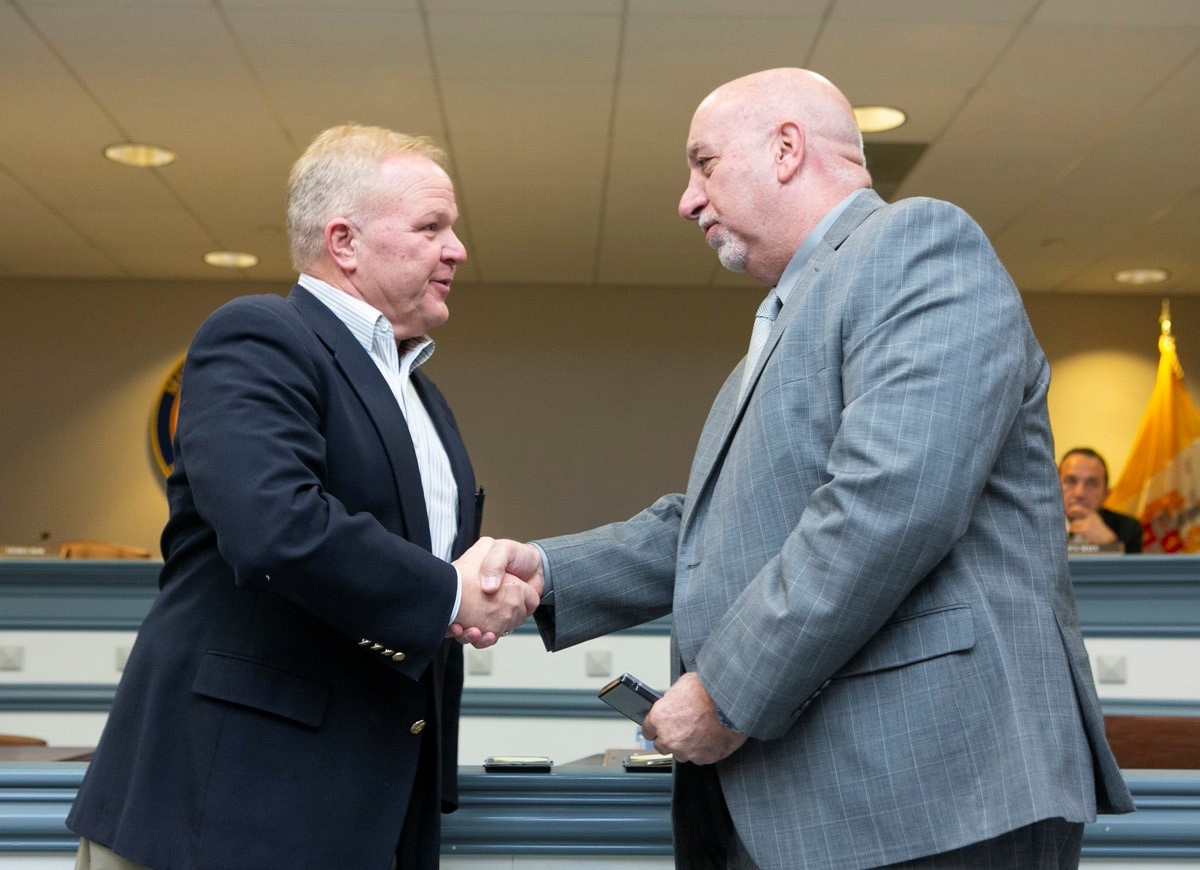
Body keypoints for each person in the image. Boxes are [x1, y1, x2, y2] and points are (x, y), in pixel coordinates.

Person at [465, 69, 1134, 868]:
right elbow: (711, 527)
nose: (687, 199)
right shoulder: (794, 313)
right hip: (824, 807)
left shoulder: (918, 245)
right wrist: (544, 573)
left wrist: (725, 694)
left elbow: (890, 503)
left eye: (703, 164)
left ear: (786, 149)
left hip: (931, 798)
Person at [67, 125, 535, 870]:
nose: (457, 250)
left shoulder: (425, 398)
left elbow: (410, 581)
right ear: (344, 241)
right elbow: (273, 527)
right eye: (431, 227)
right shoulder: (259, 336)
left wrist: (484, 587)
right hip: (222, 806)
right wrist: (450, 594)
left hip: (369, 809)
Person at [1060, 447, 1144, 552]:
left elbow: (1134, 568)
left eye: (1091, 483)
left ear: (1106, 494)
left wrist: (1110, 545)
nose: (1079, 493)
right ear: (1053, 487)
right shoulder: (1035, 527)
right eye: (1070, 481)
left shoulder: (1128, 529)